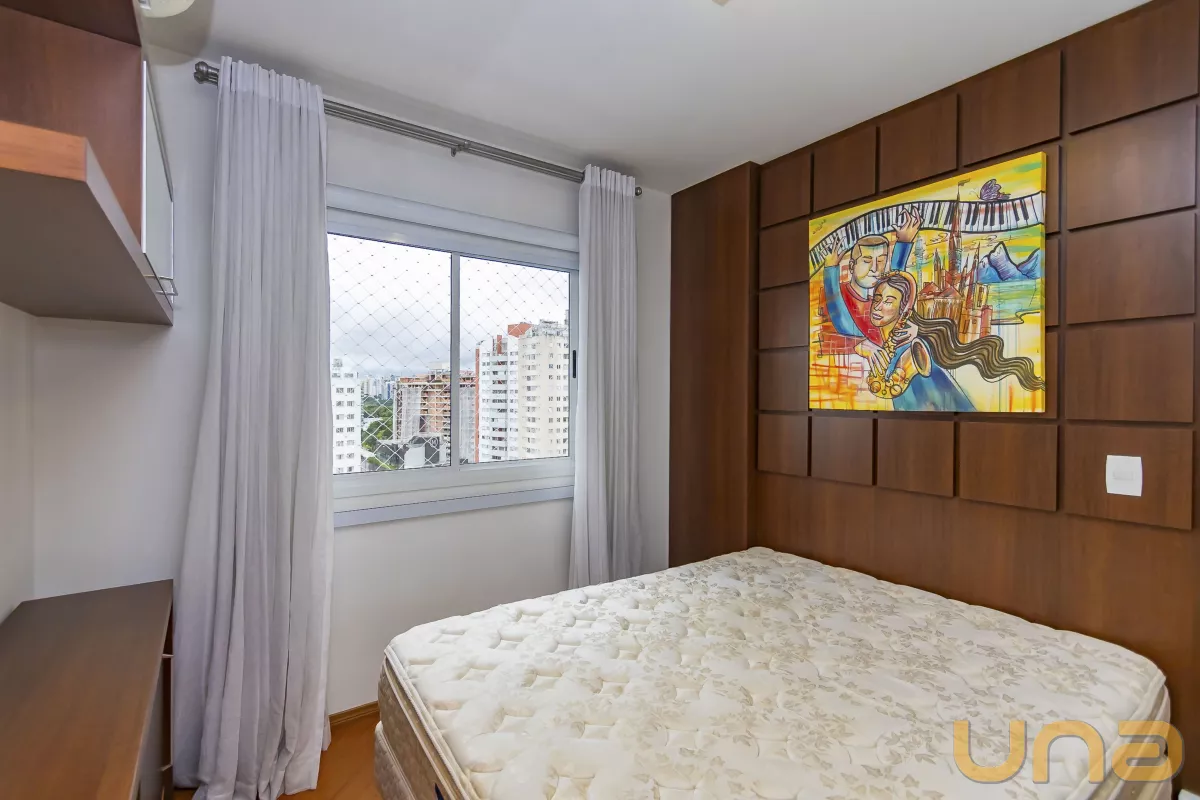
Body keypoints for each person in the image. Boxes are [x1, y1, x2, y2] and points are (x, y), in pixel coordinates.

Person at [864, 272, 1045, 411]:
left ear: (903, 308)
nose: (878, 307)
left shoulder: (911, 346)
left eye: (888, 301)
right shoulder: (893, 342)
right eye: (877, 299)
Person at [821, 207, 921, 373]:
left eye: (881, 261)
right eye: (867, 261)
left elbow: (897, 286)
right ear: (852, 266)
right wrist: (831, 271)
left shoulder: (877, 301)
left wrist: (915, 330)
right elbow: (833, 331)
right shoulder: (838, 296)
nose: (875, 269)